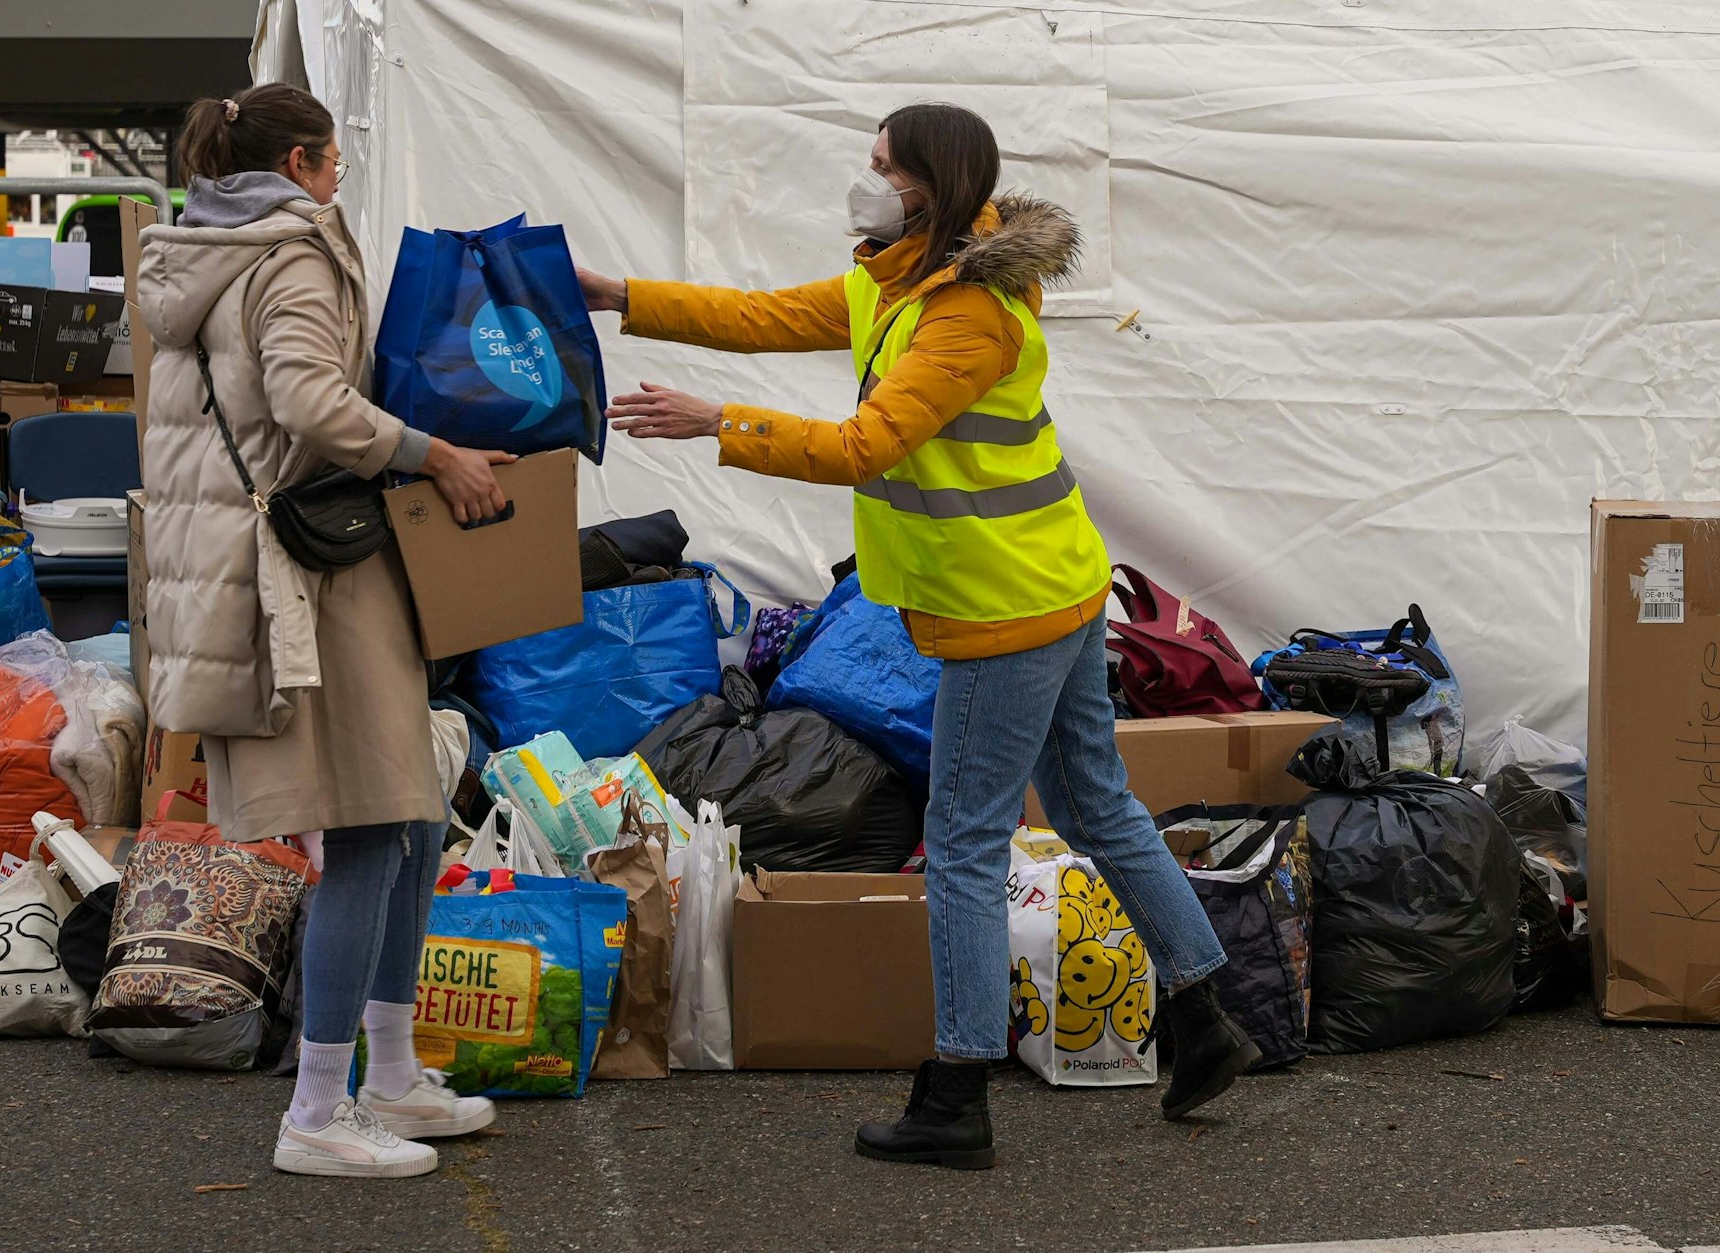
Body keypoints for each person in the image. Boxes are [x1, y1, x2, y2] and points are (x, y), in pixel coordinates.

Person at [577, 102, 1261, 1170]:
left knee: (963, 838)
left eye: (882, 167)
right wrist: (624, 295)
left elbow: (866, 444)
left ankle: (954, 1092)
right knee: (1093, 803)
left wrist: (721, 422)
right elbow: (768, 315)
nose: (864, 179)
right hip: (1055, 580)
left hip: (1004, 608)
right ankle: (1206, 1013)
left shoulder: (967, 313)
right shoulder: (898, 279)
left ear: (929, 188)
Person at [138, 84, 510, 1179]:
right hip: (310, 579)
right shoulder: (292, 253)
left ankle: (388, 1071)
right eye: (335, 158)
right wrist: (435, 453)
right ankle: (315, 1109)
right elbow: (306, 399)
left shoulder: (209, 247)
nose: (341, 174)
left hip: (276, 573)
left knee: (410, 814)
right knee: (362, 829)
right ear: (301, 161)